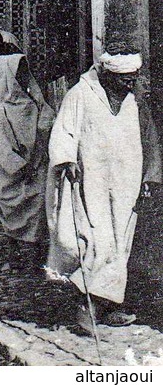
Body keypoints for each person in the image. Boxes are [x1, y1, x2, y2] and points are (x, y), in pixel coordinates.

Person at [46, 46, 162, 335]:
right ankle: (89, 307)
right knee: (96, 242)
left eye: (133, 78)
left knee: (119, 245)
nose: (130, 84)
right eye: (124, 79)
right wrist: (67, 159)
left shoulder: (136, 102)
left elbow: (150, 141)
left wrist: (150, 177)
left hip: (126, 184)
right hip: (90, 183)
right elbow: (64, 131)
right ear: (106, 74)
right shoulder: (81, 95)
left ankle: (105, 306)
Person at [0, 52, 54, 248]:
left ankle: (34, 248)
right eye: (18, 73)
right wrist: (23, 168)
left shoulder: (34, 101)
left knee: (43, 198)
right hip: (14, 177)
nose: (23, 77)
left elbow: (48, 121)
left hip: (37, 167)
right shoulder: (2, 112)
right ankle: (21, 249)